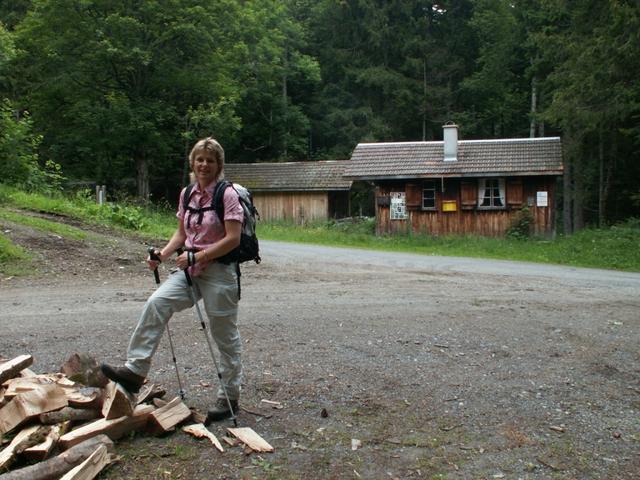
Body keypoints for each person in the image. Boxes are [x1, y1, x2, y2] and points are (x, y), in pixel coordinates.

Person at [101, 137, 244, 423]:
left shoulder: (227, 195)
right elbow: (181, 234)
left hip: (219, 273)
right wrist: (162, 254)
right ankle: (134, 371)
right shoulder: (187, 193)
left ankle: (230, 394)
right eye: (199, 159)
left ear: (219, 165)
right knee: (157, 303)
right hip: (189, 270)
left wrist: (198, 256)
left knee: (224, 335)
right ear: (192, 162)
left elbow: (233, 239)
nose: (204, 165)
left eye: (210, 160)